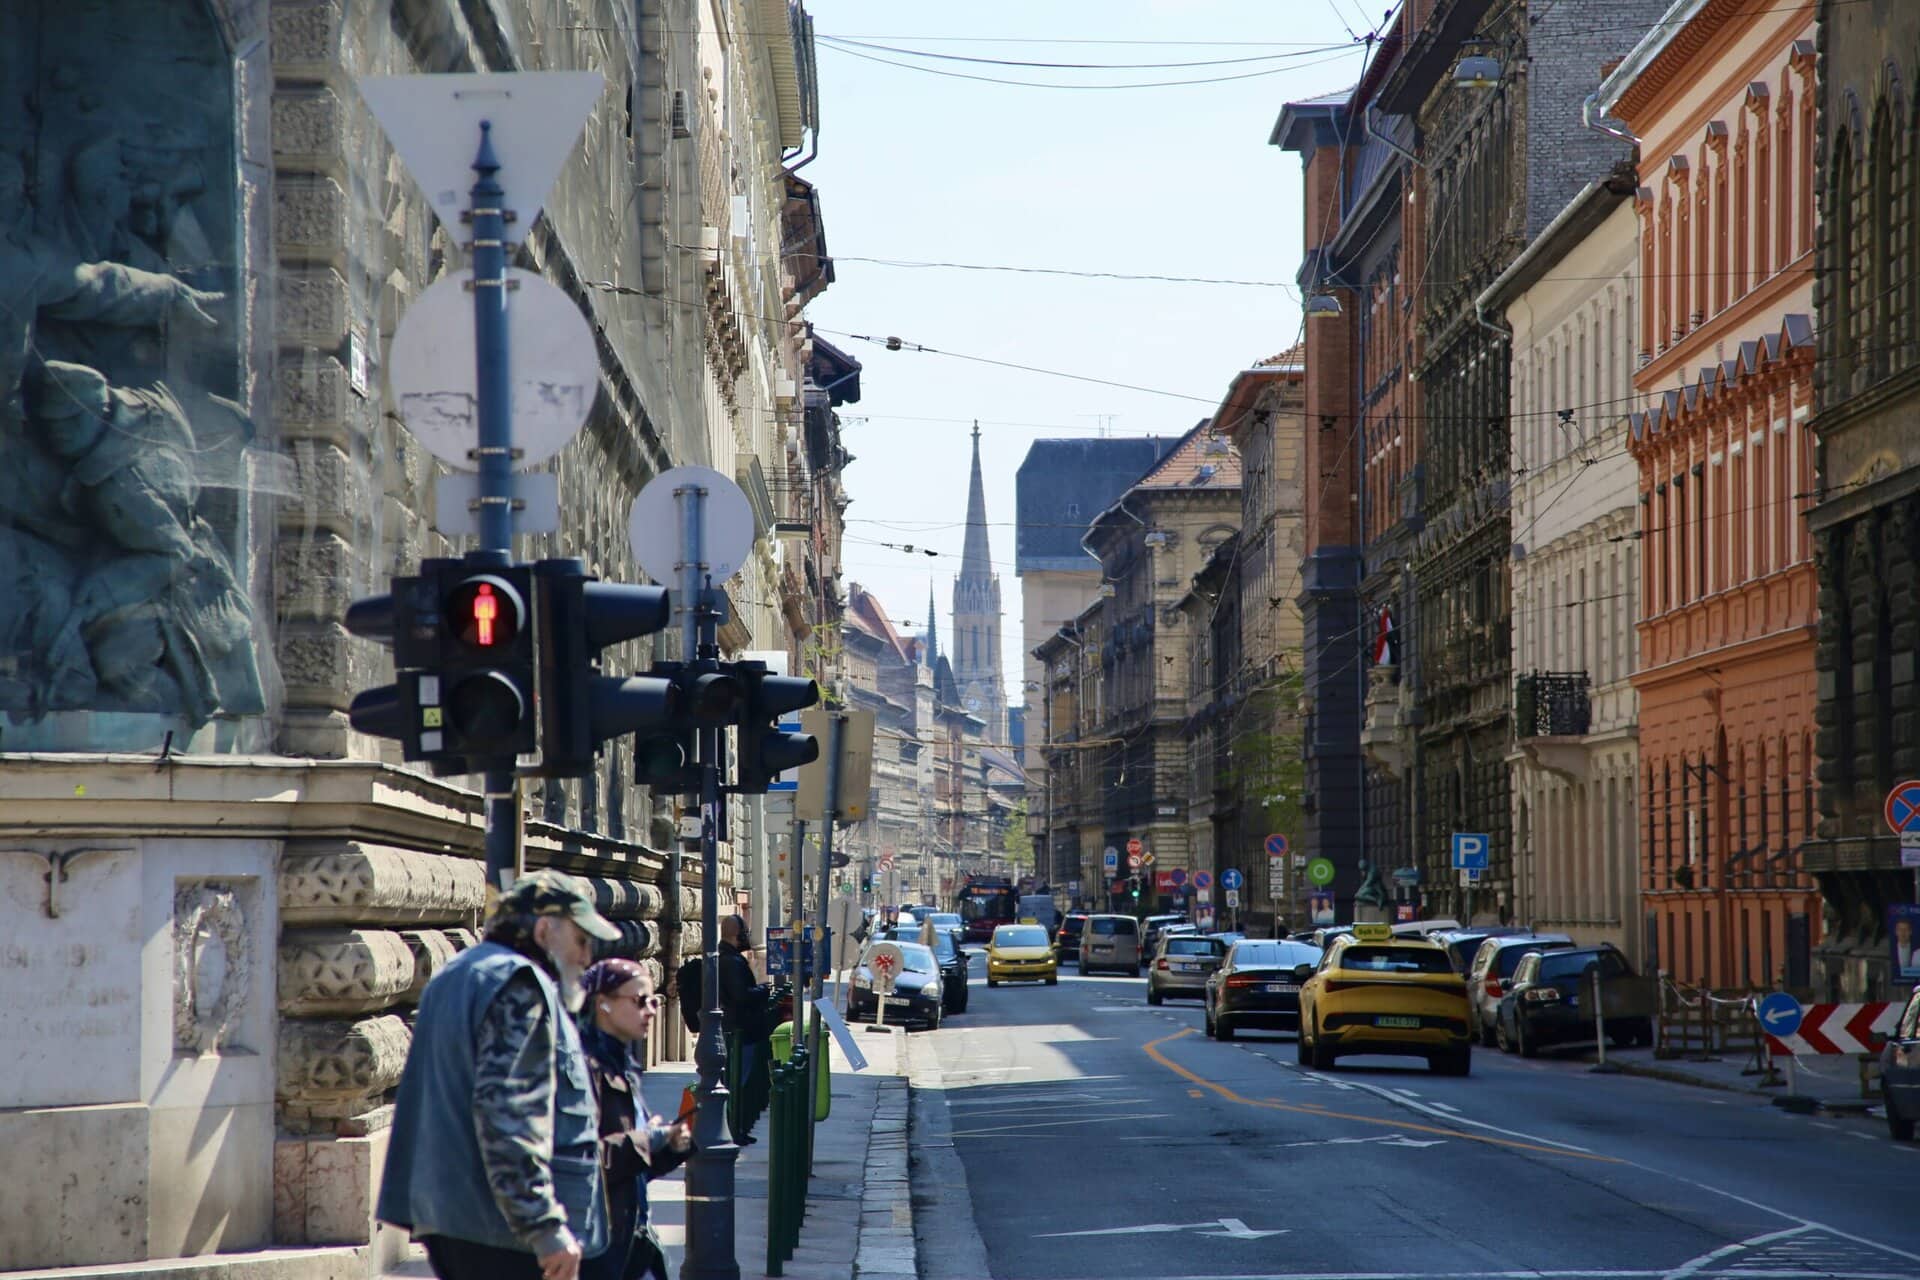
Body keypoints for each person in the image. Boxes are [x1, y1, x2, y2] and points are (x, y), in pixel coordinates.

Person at [378, 870, 620, 1280]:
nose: (586, 957)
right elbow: (507, 1114)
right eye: (581, 940)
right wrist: (543, 1225)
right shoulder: (519, 986)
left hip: (452, 1218)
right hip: (505, 1234)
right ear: (544, 930)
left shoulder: (458, 973)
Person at [579, 959, 692, 1280]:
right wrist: (648, 1140)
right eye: (640, 1001)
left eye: (654, 1000)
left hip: (628, 1239)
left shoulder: (622, 1064)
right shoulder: (584, 1069)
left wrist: (669, 1147)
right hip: (594, 1245)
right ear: (603, 1004)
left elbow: (629, 1169)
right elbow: (582, 1162)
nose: (652, 1010)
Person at [717, 915, 774, 1146]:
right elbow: (740, 996)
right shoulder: (731, 961)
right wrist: (762, 991)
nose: (747, 936)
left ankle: (735, 1128)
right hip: (740, 1031)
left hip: (739, 1030)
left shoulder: (729, 958)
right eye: (744, 932)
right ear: (734, 934)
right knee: (737, 1082)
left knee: (737, 1081)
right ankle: (732, 1129)